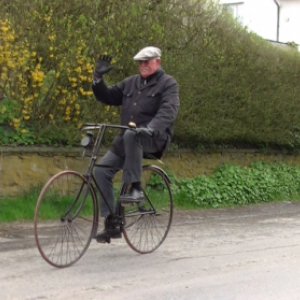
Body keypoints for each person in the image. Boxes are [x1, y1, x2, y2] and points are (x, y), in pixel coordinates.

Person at [92, 46, 180, 243]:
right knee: (100, 171)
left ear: (157, 61)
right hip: (126, 140)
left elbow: (169, 111)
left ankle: (136, 188)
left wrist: (151, 128)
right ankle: (112, 221)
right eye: (140, 62)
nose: (143, 65)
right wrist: (98, 78)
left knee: (134, 135)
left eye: (147, 62)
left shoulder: (168, 84)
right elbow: (107, 96)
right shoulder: (131, 83)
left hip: (152, 139)